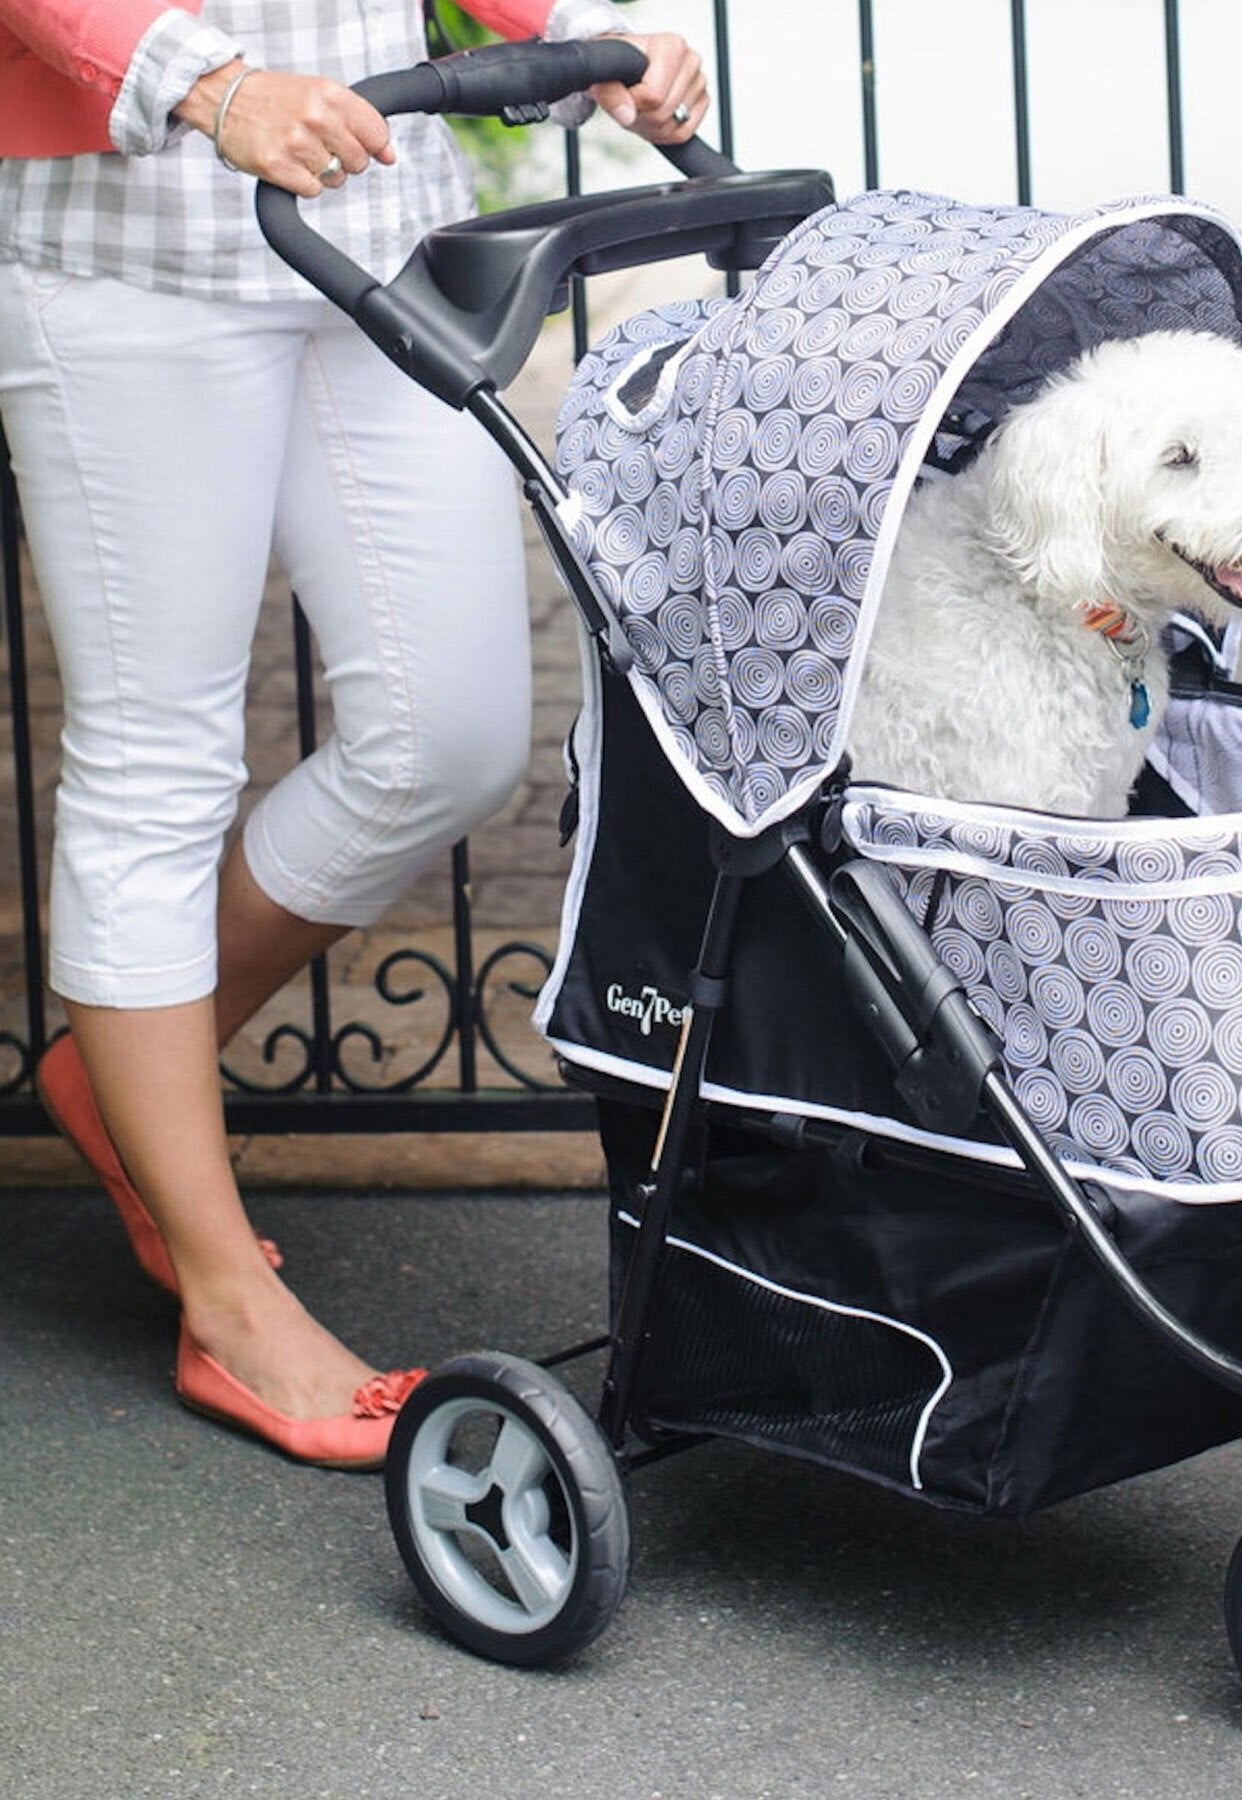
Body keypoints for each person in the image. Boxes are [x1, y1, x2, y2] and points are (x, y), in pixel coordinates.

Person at [0, 0, 709, 1469]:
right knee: (156, 764)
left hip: (375, 223)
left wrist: (580, 37)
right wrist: (213, 85)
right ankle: (224, 1308)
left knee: (450, 735)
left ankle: (128, 1072)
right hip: (129, 248)